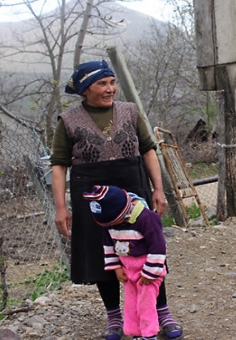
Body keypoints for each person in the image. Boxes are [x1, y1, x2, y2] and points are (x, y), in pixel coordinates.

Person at [50, 60, 183, 340]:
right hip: (92, 193)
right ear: (85, 89)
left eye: (112, 82)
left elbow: (148, 150)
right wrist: (61, 207)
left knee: (147, 247)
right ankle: (114, 316)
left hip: (132, 186)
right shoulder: (69, 121)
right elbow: (59, 165)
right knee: (102, 253)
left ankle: (162, 311)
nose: (110, 89)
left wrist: (158, 189)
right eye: (102, 83)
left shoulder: (130, 111)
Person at [83, 185, 167, 340]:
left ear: (126, 210)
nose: (112, 227)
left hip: (147, 269)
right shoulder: (110, 222)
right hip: (128, 269)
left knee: (146, 303)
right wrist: (115, 266)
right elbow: (108, 245)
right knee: (131, 303)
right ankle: (135, 332)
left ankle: (149, 334)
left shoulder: (146, 218)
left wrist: (150, 271)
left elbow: (158, 246)